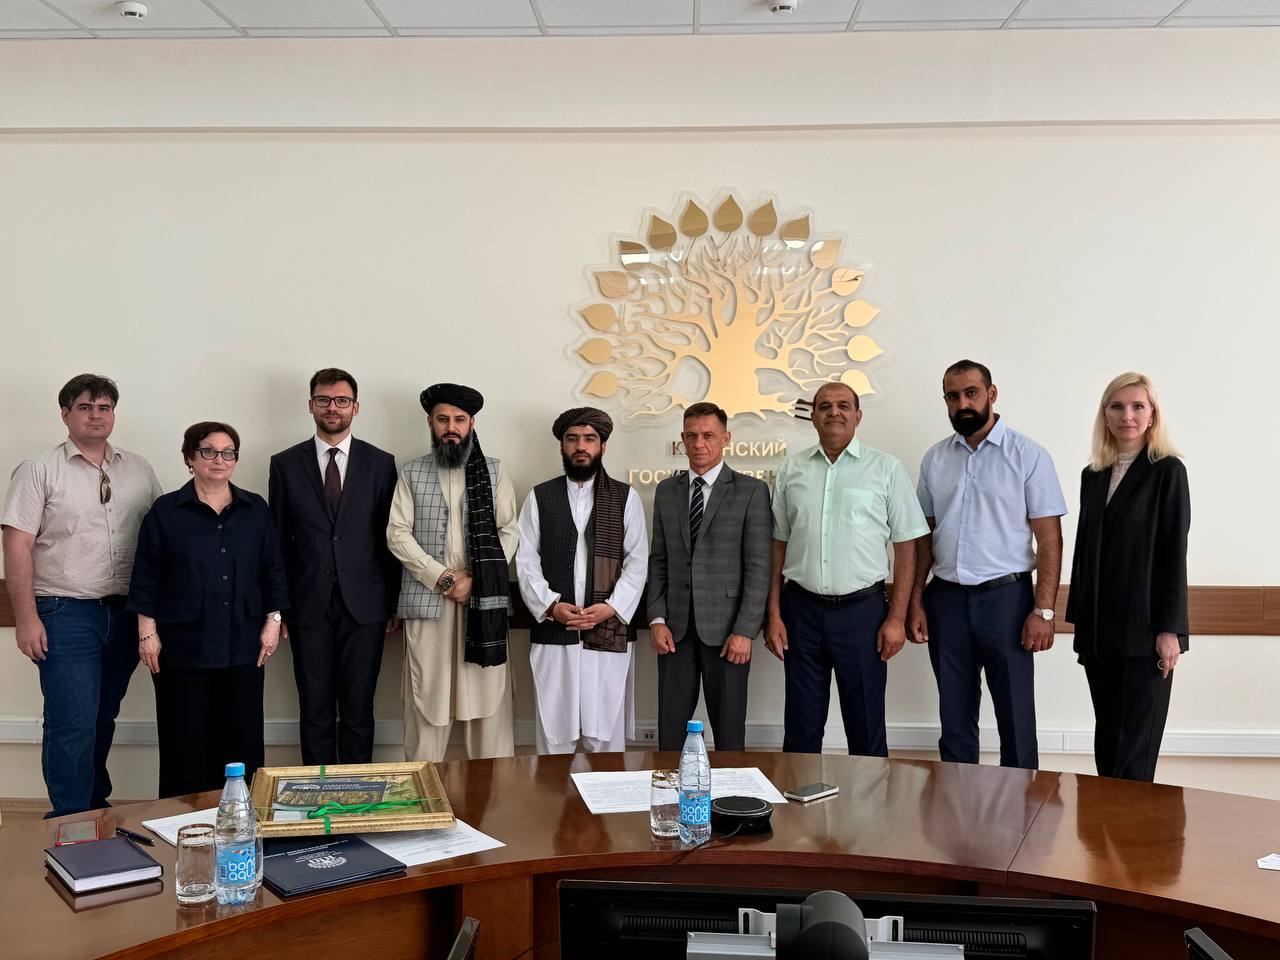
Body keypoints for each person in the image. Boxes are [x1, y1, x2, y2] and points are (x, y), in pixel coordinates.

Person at [1, 374, 162, 817]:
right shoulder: (39, 470)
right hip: (63, 611)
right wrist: (26, 619)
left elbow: (161, 536)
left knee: (101, 716)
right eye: (85, 407)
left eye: (104, 407)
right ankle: (68, 822)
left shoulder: (138, 469)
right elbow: (16, 546)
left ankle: (93, 809)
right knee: (71, 721)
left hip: (125, 612)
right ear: (65, 414)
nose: (96, 415)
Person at [907, 360, 1067, 770]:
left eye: (971, 393)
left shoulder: (1028, 455)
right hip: (946, 601)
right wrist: (915, 601)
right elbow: (924, 538)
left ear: (991, 394)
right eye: (953, 396)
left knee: (1016, 716)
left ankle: (1022, 806)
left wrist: (1044, 611)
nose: (962, 403)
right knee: (955, 718)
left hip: (1007, 600)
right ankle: (959, 805)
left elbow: (1050, 540)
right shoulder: (935, 459)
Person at [765, 381, 926, 757]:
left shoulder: (886, 469)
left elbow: (907, 547)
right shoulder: (791, 469)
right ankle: (801, 795)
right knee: (801, 727)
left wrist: (896, 618)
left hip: (863, 613)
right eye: (824, 406)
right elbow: (777, 544)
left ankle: (869, 799)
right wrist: (773, 613)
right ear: (813, 417)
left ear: (858, 416)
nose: (833, 412)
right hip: (801, 611)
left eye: (842, 405)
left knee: (865, 726)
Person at [128, 422, 288, 798]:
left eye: (228, 452)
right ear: (190, 457)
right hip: (183, 650)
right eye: (209, 451)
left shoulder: (255, 509)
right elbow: (146, 576)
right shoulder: (166, 512)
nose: (220, 459)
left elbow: (273, 570)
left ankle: (241, 818)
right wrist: (146, 633)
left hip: (244, 645)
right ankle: (181, 822)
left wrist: (274, 620)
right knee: (185, 741)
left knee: (243, 739)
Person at [268, 368, 400, 765]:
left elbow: (391, 538)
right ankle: (318, 792)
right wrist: (279, 608)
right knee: (315, 709)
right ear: (311, 405)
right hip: (307, 606)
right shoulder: (285, 464)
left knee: (359, 710)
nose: (332, 407)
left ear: (355, 408)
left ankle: (357, 792)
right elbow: (277, 541)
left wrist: (393, 604)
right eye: (324, 400)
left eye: (342, 400)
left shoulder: (381, 463)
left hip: (367, 606)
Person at [1065, 372, 1189, 782]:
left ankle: (1133, 827)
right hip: (1100, 635)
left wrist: (1170, 630)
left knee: (1133, 754)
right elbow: (1086, 551)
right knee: (1107, 745)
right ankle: (1105, 827)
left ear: (1153, 414)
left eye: (1138, 406)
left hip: (1145, 634)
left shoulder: (1167, 471)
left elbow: (1173, 555)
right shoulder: (1093, 475)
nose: (1127, 415)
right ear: (1105, 414)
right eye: (1116, 407)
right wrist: (1080, 622)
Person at [387, 383, 518, 762]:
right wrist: (443, 578)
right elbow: (397, 533)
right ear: (430, 423)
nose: (451, 427)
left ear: (471, 424)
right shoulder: (412, 472)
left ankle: (493, 792)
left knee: (487, 698)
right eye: (443, 419)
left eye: (459, 419)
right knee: (429, 699)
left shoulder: (494, 471)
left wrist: (475, 580)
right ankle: (423, 790)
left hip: (483, 600)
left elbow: (509, 531)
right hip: (429, 602)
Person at [515, 407, 649, 754]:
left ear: (603, 446)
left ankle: (605, 792)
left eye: (589, 439)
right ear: (562, 446)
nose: (580, 446)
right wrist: (552, 606)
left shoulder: (625, 497)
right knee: (554, 733)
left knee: (605, 735)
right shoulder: (539, 497)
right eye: (572, 439)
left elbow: (637, 562)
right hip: (555, 629)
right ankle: (552, 792)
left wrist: (610, 608)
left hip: (608, 629)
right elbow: (526, 560)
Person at [647, 402, 771, 751]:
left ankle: (732, 788)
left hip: (729, 633)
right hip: (674, 632)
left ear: (725, 438)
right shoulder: (666, 491)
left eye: (708, 435)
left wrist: (745, 631)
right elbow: (659, 561)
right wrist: (657, 619)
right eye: (692, 436)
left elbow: (759, 567)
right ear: (682, 440)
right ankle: (670, 787)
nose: (699, 443)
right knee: (671, 734)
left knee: (729, 735)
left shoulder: (751, 491)